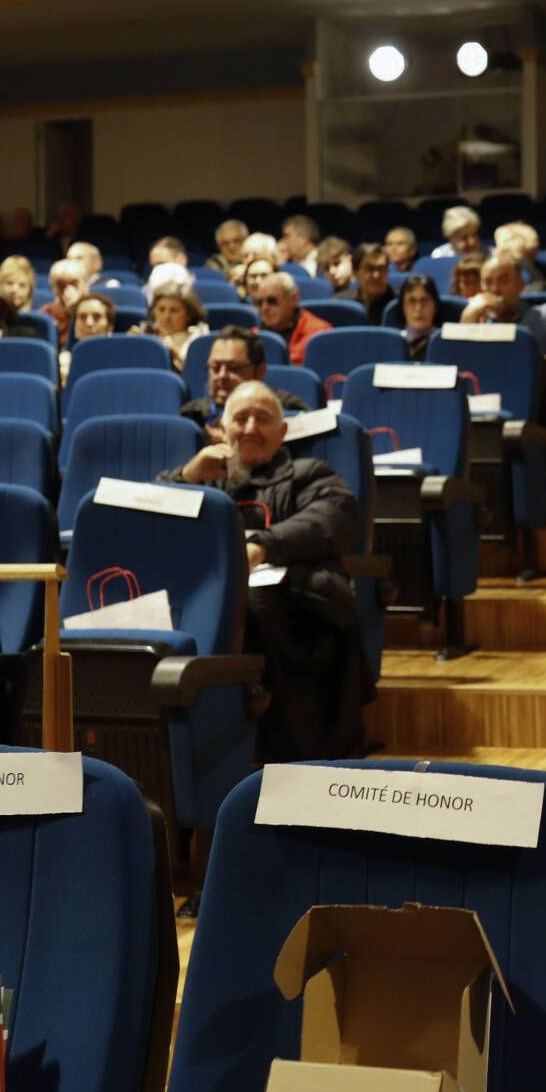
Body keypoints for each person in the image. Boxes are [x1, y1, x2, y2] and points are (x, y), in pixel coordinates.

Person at [158, 381, 372, 760]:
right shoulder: (201, 480)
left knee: (251, 606)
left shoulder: (309, 474)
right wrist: (186, 477)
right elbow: (138, 521)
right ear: (221, 430)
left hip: (294, 603)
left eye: (263, 418)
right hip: (207, 598)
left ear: (283, 431)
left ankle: (267, 742)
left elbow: (332, 517)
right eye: (240, 418)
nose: (251, 427)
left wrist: (261, 546)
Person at [463, 254, 546, 466]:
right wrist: (468, 320)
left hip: (543, 410)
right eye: (488, 282)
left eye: (504, 280)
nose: (495, 289)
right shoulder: (477, 325)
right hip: (489, 411)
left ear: (521, 284)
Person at [180, 327, 307, 438]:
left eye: (233, 368)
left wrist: (232, 440)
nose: (222, 376)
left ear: (259, 371)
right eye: (215, 368)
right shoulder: (192, 415)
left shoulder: (287, 408)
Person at [254, 271, 327, 366]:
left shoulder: (318, 333)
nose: (264, 308)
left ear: (294, 298)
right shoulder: (254, 335)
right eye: (259, 303)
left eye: (272, 301)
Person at [135, 281, 206, 370]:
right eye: (161, 309)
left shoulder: (197, 339)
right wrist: (132, 344)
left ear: (189, 315)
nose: (166, 317)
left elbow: (195, 374)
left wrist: (172, 350)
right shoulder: (147, 336)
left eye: (174, 310)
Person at [59, 291, 115, 384]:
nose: (89, 323)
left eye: (97, 317)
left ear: (110, 326)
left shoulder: (120, 358)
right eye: (82, 317)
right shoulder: (61, 363)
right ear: (75, 327)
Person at [40, 257, 90, 346]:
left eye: (74, 284)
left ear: (85, 285)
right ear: (54, 288)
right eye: (62, 285)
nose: (68, 290)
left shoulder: (97, 309)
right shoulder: (47, 312)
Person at [395, 275, 438, 362]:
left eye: (425, 300)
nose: (418, 308)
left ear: (436, 306)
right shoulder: (393, 342)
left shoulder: (443, 342)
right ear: (402, 307)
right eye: (411, 301)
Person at [350, 246, 394, 324]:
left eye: (381, 268)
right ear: (355, 272)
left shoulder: (400, 304)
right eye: (369, 268)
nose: (376, 275)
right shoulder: (341, 302)